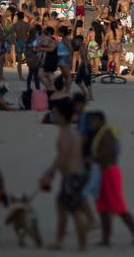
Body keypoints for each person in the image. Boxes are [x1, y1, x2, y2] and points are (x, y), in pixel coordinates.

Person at [88, 111, 134, 247]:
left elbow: (107, 154)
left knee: (118, 206)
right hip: (104, 172)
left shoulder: (106, 134)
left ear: (101, 121)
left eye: (94, 121)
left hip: (110, 173)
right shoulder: (101, 133)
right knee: (103, 207)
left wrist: (91, 160)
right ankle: (106, 239)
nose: (91, 124)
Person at [39, 98, 89, 251]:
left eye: (55, 113)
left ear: (61, 115)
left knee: (76, 210)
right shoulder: (72, 132)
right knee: (61, 206)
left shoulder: (66, 133)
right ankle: (59, 241)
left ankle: (82, 245)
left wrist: (51, 173)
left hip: (72, 175)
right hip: (76, 174)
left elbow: (63, 156)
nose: (53, 115)